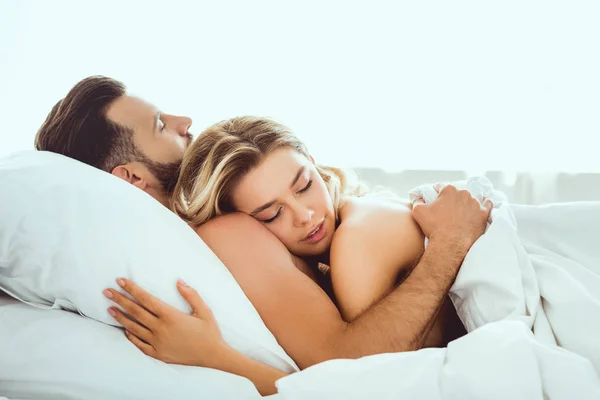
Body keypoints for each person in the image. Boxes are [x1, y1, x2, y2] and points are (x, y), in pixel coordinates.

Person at [36, 76, 491, 396]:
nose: (184, 120)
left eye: (303, 184)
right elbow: (350, 369)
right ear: (131, 179)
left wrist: (449, 244)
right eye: (159, 124)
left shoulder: (229, 227)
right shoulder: (222, 231)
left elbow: (347, 371)